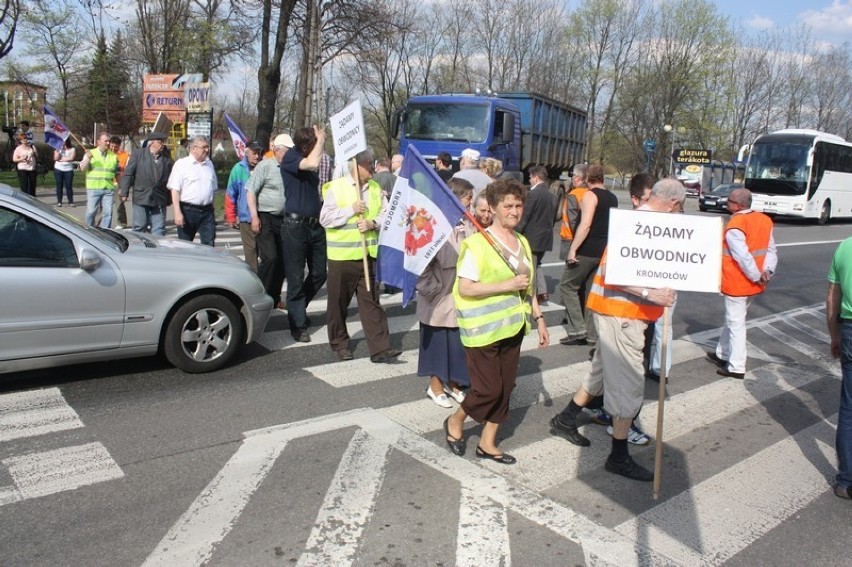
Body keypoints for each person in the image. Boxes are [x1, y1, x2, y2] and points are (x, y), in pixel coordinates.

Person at [550, 179, 683, 481]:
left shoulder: (643, 222)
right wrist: (651, 295)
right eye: (680, 207)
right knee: (628, 386)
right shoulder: (642, 225)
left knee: (599, 372)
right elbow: (612, 272)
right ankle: (618, 455)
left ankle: (566, 418)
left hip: (619, 312)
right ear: (674, 203)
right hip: (623, 314)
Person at [444, 178, 550, 465]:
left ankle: (488, 443)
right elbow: (465, 287)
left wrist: (539, 319)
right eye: (508, 206)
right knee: (487, 389)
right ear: (493, 208)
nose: (515, 211)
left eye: (519, 205)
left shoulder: (523, 242)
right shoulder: (477, 244)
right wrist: (506, 284)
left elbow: (526, 287)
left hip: (513, 327)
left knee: (505, 388)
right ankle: (456, 420)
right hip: (482, 332)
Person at [319, 148, 401, 363]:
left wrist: (373, 223)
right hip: (342, 258)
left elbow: (386, 214)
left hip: (367, 256)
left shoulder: (375, 188)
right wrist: (351, 210)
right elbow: (325, 219)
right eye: (368, 163)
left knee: (371, 303)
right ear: (356, 165)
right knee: (337, 304)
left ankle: (380, 348)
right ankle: (340, 344)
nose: (373, 167)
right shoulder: (337, 188)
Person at [707, 188, 778, 379]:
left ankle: (736, 366)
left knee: (736, 323)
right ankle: (722, 354)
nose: (725, 202)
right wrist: (766, 272)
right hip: (755, 284)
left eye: (729, 200)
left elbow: (743, 256)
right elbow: (771, 250)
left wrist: (756, 275)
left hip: (738, 282)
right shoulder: (764, 220)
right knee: (732, 319)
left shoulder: (736, 223)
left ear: (739, 205)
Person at [419, 178, 474, 407]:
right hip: (439, 294)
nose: (470, 202)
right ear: (454, 197)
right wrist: (432, 290)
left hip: (459, 294)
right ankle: (435, 385)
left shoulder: (465, 222)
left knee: (456, 343)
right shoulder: (431, 223)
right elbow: (420, 262)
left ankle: (454, 383)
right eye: (468, 198)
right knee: (437, 343)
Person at [558, 163, 617, 346]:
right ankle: (592, 335)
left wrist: (573, 249)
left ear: (587, 179)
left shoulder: (590, 196)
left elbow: (585, 225)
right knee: (593, 292)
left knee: (567, 286)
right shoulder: (612, 198)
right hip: (603, 250)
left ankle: (578, 329)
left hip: (587, 249)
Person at [280, 125, 328, 342]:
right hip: (295, 225)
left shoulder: (305, 157)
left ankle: (297, 308)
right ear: (307, 145)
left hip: (315, 225)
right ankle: (297, 324)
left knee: (320, 273)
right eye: (314, 144)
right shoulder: (290, 157)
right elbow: (313, 163)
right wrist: (321, 139)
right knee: (296, 275)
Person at [248, 134, 290, 307]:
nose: (288, 155)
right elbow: (251, 191)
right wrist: (254, 216)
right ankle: (259, 295)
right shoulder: (265, 166)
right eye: (286, 152)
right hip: (265, 217)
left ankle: (274, 296)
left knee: (281, 259)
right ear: (276, 150)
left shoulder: (290, 168)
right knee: (270, 257)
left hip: (284, 219)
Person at [827, 236, 852, 500]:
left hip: (850, 330)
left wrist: (834, 336)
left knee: (849, 408)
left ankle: (846, 481)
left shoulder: (845, 247)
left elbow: (832, 299)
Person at [120, 131, 174, 236]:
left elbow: (170, 178)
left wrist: (169, 198)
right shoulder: (138, 154)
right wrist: (124, 192)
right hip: (142, 195)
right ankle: (138, 249)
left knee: (159, 229)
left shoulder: (167, 157)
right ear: (152, 143)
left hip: (159, 197)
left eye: (163, 142)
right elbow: (128, 173)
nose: (162, 144)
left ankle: (156, 251)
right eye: (160, 142)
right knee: (140, 226)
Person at [518, 165, 558, 303]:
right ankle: (542, 292)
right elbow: (553, 218)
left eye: (530, 177)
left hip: (532, 237)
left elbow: (525, 217)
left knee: (531, 268)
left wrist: (516, 232)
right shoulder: (552, 196)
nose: (529, 180)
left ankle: (532, 296)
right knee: (537, 264)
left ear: (536, 177)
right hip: (546, 237)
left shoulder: (533, 194)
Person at [169, 135, 218, 246]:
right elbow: (175, 190)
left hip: (207, 211)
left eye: (207, 147)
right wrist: (177, 212)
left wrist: (212, 208)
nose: (207, 150)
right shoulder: (182, 164)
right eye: (204, 147)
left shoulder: (209, 165)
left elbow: (213, 189)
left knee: (209, 244)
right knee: (185, 245)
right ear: (193, 148)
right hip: (188, 210)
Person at [226, 141, 264, 271]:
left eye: (259, 153)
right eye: (254, 153)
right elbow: (231, 194)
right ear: (246, 152)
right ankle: (254, 280)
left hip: (265, 216)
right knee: (251, 251)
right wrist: (231, 217)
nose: (257, 156)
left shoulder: (264, 167)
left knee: (268, 254)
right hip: (246, 218)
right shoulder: (238, 169)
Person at [80, 132, 118, 228]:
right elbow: (82, 168)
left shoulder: (113, 156)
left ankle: (106, 233)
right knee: (91, 211)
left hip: (108, 188)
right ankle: (88, 230)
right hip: (94, 188)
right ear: (99, 142)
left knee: (108, 212)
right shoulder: (91, 153)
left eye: (109, 141)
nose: (108, 143)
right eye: (106, 141)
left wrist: (121, 188)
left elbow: (117, 173)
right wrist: (88, 159)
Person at [556, 164, 588, 261]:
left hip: (570, 237)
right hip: (583, 237)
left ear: (578, 178)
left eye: (573, 175)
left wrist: (577, 239)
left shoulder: (573, 195)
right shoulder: (590, 193)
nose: (572, 177)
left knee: (570, 268)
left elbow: (572, 221)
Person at [110, 136, 130, 229]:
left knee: (119, 204)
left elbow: (126, 170)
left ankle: (122, 223)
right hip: (107, 182)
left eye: (115, 146)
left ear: (119, 146)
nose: (113, 148)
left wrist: (123, 186)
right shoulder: (107, 154)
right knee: (104, 205)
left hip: (119, 182)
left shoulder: (125, 156)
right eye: (112, 146)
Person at [12, 131, 38, 197]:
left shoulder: (31, 146)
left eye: (25, 139)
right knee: (24, 185)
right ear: (20, 140)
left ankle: (33, 198)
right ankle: (24, 199)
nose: (24, 140)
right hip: (22, 168)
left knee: (32, 185)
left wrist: (34, 151)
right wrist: (21, 159)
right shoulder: (18, 148)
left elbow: (37, 155)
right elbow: (14, 159)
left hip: (31, 167)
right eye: (22, 139)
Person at [53, 138, 76, 207]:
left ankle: (71, 201)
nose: (62, 143)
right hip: (58, 169)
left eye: (64, 141)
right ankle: (59, 201)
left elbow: (71, 158)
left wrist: (62, 159)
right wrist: (59, 151)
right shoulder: (57, 149)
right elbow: (56, 158)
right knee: (59, 185)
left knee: (68, 186)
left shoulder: (72, 149)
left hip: (68, 169)